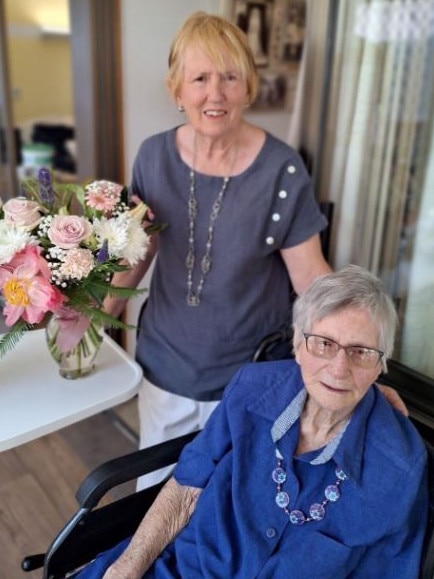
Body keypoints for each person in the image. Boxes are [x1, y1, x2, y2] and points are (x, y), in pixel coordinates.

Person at [104, 12, 405, 485]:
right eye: (200, 78)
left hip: (250, 375)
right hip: (164, 363)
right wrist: (102, 317)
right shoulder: (151, 156)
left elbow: (311, 278)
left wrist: (357, 353)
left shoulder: (281, 170)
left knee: (228, 495)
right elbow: (140, 250)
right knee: (154, 492)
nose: (215, 93)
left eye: (230, 77)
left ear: (248, 88)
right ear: (177, 91)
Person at [79, 265, 428, 578]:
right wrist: (127, 568)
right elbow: (186, 487)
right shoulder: (253, 388)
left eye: (360, 352)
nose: (339, 369)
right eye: (323, 343)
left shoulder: (400, 466)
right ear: (297, 343)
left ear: (380, 363)